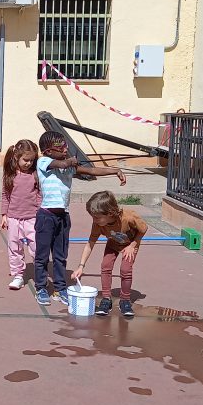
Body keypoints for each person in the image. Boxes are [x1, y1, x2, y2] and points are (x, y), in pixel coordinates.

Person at [33, 130, 126, 306]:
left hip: (63, 216)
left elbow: (91, 170)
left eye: (66, 146)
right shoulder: (43, 162)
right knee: (42, 256)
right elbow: (61, 163)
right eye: (61, 147)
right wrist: (70, 161)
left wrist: (115, 170)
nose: (65, 149)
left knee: (61, 256)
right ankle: (41, 288)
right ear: (48, 151)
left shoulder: (68, 166)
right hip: (46, 217)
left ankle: (60, 288)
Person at [71, 190, 147, 318]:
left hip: (129, 245)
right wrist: (81, 266)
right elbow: (90, 244)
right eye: (93, 217)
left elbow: (143, 229)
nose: (94, 220)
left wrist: (132, 245)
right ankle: (106, 299)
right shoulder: (98, 224)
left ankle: (125, 300)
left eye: (97, 217)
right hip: (113, 243)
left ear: (110, 213)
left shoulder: (128, 217)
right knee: (105, 266)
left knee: (125, 269)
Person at [0, 139, 41, 290]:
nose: (29, 163)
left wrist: (40, 213)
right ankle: (18, 275)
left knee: (37, 247)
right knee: (14, 247)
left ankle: (40, 273)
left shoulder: (35, 175)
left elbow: (39, 195)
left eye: (32, 160)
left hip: (33, 217)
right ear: (16, 157)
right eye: (26, 160)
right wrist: (4, 215)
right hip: (13, 218)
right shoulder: (11, 175)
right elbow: (5, 195)